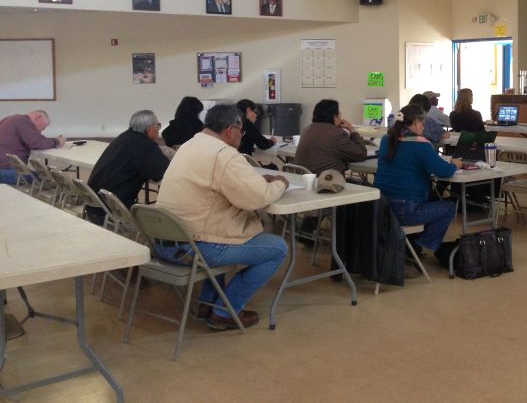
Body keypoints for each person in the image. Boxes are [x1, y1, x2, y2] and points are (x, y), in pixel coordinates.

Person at [154, 104, 289, 330]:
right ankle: (225, 312)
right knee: (277, 248)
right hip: (193, 247)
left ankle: (208, 303)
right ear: (230, 130)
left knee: (217, 230)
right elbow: (259, 198)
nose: (241, 136)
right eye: (241, 132)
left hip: (165, 240)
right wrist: (280, 183)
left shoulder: (191, 143)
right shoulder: (224, 154)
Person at [375, 104, 461, 254]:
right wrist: (455, 165)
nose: (423, 126)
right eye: (422, 123)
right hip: (405, 210)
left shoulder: (386, 140)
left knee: (432, 201)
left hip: (381, 206)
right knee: (449, 208)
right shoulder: (420, 145)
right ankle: (418, 245)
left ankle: (411, 247)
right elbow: (443, 171)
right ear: (414, 122)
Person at [86, 110, 171, 225]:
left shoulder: (123, 137)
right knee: (166, 217)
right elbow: (164, 172)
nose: (159, 129)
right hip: (114, 209)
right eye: (158, 126)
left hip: (94, 203)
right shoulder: (145, 145)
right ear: (150, 130)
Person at [294, 99, 368, 174]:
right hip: (325, 182)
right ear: (335, 117)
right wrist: (352, 130)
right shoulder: (337, 134)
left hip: (302, 180)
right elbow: (360, 154)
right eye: (339, 115)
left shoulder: (307, 130)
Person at [0, 110, 65, 185]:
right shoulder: (23, 122)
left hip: (4, 170)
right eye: (43, 127)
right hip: (7, 171)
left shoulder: (10, 119)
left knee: (42, 176)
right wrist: (58, 141)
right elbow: (38, 143)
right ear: (38, 117)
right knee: (50, 179)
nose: (40, 131)